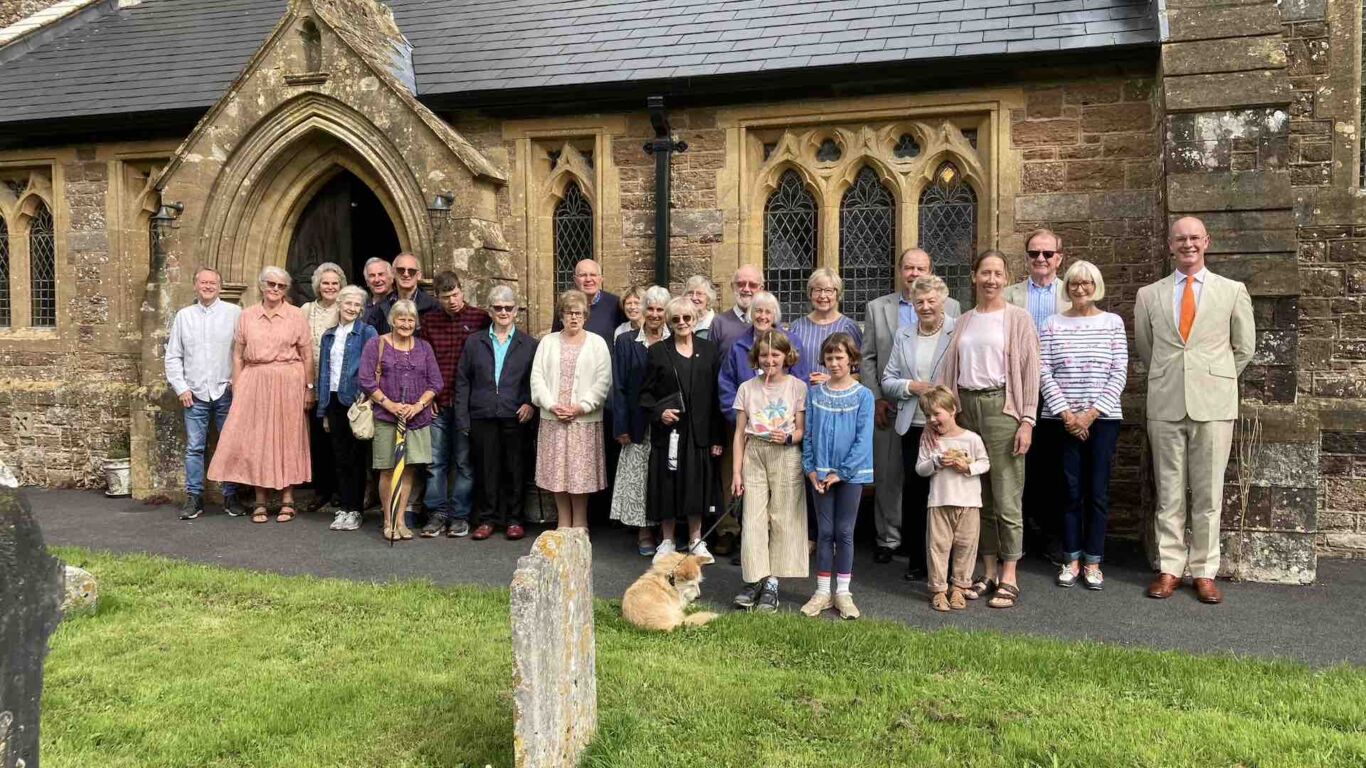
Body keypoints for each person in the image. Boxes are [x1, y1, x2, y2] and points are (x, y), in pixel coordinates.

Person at [1135, 217, 1254, 604]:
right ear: (1170, 245)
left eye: (1194, 238)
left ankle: (1204, 571)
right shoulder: (1149, 295)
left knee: (1208, 495)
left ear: (1207, 242)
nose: (1188, 244)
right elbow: (1147, 349)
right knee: (1169, 494)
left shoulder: (1232, 291)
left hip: (1214, 405)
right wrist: (1177, 376)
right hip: (1166, 403)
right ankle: (1170, 568)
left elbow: (1244, 347)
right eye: (1180, 238)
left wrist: (1212, 378)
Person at [936, 251, 1040, 610]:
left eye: (997, 273)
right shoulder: (964, 321)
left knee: (1007, 495)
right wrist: (947, 418)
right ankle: (989, 569)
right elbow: (949, 371)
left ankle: (1010, 575)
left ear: (1006, 278)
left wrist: (1027, 419)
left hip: (1002, 409)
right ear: (974, 277)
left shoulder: (1018, 319)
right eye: (985, 273)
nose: (991, 280)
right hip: (966, 410)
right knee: (978, 498)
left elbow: (1030, 372)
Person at [862, 248, 963, 568]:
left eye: (921, 268)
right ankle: (889, 539)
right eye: (908, 268)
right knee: (891, 475)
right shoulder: (879, 308)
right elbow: (868, 359)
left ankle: (934, 549)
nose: (914, 273)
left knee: (933, 482)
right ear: (900, 270)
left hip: (941, 414)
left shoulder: (955, 312)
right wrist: (877, 397)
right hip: (895, 408)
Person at [1040, 260, 1128, 591]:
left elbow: (1119, 372)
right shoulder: (1051, 324)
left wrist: (1090, 415)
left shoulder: (1112, 323)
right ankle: (1071, 558)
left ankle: (1093, 561)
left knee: (1098, 492)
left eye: (1087, 283)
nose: (1080, 289)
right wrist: (1067, 415)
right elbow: (1043, 370)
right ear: (1068, 287)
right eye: (1075, 283)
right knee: (1069, 491)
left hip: (1102, 421)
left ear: (1096, 286)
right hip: (1061, 421)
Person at [207, 266, 313, 523]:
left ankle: (288, 499)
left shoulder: (296, 315)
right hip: (255, 381)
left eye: (281, 286)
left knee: (288, 438)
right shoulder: (247, 316)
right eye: (271, 284)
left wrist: (309, 389)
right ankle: (260, 501)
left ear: (286, 290)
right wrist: (238, 384)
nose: (275, 289)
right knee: (257, 440)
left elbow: (308, 355)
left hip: (289, 380)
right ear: (261, 285)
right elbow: (237, 354)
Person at [881, 275, 958, 582]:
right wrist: (912, 386)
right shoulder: (904, 334)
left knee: (946, 496)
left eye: (931, 301)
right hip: (912, 425)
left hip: (946, 425)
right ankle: (917, 561)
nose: (925, 307)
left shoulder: (957, 328)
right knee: (915, 496)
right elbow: (888, 379)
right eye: (919, 302)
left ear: (943, 301)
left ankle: (949, 565)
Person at [639, 296, 724, 563]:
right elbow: (644, 395)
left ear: (695, 319)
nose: (682, 323)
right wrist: (658, 412)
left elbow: (716, 397)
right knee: (667, 484)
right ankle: (666, 540)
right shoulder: (657, 352)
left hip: (700, 432)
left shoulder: (709, 350)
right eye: (675, 319)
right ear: (669, 322)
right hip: (670, 432)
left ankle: (696, 540)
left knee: (696, 486)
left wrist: (717, 437)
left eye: (687, 318)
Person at [1006, 228, 1072, 563]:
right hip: (1018, 388)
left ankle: (1053, 536)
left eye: (1048, 254)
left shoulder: (1073, 293)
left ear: (1060, 257)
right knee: (1020, 462)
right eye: (1034, 254)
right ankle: (1023, 533)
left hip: (1060, 391)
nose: (1041, 259)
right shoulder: (1009, 295)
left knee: (1056, 465)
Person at [730, 330, 808, 613]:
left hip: (785, 454)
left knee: (783, 517)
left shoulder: (797, 387)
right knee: (753, 517)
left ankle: (772, 583)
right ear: (756, 357)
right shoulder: (746, 388)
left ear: (786, 356)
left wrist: (789, 438)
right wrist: (736, 472)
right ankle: (754, 578)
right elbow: (739, 433)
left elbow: (801, 430)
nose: (769, 360)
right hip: (755, 451)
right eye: (764, 355)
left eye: (775, 355)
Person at [801, 332, 874, 619]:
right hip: (820, 473)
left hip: (850, 476)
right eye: (829, 358)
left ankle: (843, 592)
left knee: (844, 532)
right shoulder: (816, 394)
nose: (834, 363)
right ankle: (821, 591)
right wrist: (810, 469)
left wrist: (841, 473)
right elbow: (808, 436)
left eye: (839, 357)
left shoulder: (863, 395)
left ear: (851, 360)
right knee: (824, 532)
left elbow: (863, 439)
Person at [456, 285, 537, 541]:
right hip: (482, 414)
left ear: (516, 311)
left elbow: (534, 380)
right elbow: (463, 381)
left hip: (516, 415)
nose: (503, 312)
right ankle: (487, 519)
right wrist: (462, 417)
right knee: (485, 469)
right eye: (498, 308)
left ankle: (514, 519)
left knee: (515, 469)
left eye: (508, 308)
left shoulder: (529, 344)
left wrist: (530, 403)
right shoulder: (474, 342)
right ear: (490, 311)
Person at [358, 299, 443, 541]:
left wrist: (418, 406)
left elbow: (436, 383)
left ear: (416, 323)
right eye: (401, 319)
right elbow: (366, 380)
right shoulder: (377, 344)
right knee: (387, 470)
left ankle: (402, 520)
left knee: (408, 470)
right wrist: (391, 405)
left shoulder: (424, 347)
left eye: (410, 320)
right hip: (387, 417)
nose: (405, 324)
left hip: (416, 418)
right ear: (392, 320)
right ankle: (389, 520)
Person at [417, 271, 491, 538]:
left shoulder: (479, 318)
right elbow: (424, 362)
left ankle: (460, 515)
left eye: (456, 294)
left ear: (463, 290)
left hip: (466, 405)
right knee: (435, 462)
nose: (453, 301)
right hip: (436, 401)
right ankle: (437, 514)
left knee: (463, 462)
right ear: (437, 297)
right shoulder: (429, 322)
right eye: (446, 297)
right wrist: (428, 397)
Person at [165, 266, 243, 520]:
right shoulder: (184, 316)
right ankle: (194, 498)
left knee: (230, 445)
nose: (208, 286)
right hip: (195, 393)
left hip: (225, 390)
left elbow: (243, 351)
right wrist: (181, 387)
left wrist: (236, 380)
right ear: (195, 286)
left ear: (220, 287)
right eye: (203, 282)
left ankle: (231, 496)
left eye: (212, 283)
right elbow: (173, 356)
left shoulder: (234, 313)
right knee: (195, 448)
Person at [531, 290, 612, 528]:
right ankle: (563, 523)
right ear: (561, 316)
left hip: (583, 420)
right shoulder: (548, 342)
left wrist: (581, 407)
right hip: (553, 418)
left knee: (579, 475)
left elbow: (603, 380)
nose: (573, 318)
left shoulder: (597, 343)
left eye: (578, 313)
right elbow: (537, 378)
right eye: (568, 313)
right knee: (557, 474)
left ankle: (581, 524)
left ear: (585, 316)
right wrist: (551, 405)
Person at [714, 289, 782, 556]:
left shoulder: (789, 343)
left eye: (767, 312)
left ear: (775, 315)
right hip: (741, 427)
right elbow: (725, 385)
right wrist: (739, 418)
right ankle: (730, 531)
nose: (762, 316)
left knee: (769, 482)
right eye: (758, 311)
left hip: (777, 430)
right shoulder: (738, 346)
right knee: (734, 476)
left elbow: (799, 385)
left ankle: (763, 536)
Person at [914, 386, 990, 612]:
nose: (932, 419)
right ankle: (938, 589)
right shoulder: (931, 442)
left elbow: (985, 462)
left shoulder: (971, 439)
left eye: (937, 414)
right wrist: (936, 462)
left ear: (953, 410)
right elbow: (920, 468)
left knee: (966, 545)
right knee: (938, 547)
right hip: (939, 501)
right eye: (928, 416)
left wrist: (968, 467)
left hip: (969, 502)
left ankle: (959, 587)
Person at [610, 285, 671, 556]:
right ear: (642, 311)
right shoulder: (626, 343)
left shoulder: (676, 341)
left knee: (664, 475)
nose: (655, 314)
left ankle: (665, 530)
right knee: (638, 478)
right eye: (651, 309)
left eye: (660, 309)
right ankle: (643, 531)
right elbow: (619, 386)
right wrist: (620, 426)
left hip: (668, 422)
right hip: (636, 423)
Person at [316, 285, 378, 532]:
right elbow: (324, 374)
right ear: (339, 305)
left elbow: (375, 367)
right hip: (333, 401)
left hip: (356, 402)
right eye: (348, 304)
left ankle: (355, 510)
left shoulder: (367, 332)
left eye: (357, 305)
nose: (352, 308)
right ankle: (344, 507)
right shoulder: (328, 335)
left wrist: (367, 398)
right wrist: (323, 411)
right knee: (340, 458)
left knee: (356, 458)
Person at [299, 262, 345, 512]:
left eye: (334, 283)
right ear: (318, 285)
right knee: (316, 439)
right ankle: (321, 490)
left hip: (336, 383)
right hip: (312, 381)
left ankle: (339, 490)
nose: (330, 287)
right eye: (325, 283)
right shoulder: (306, 309)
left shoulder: (346, 307)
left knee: (337, 437)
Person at [788, 268, 863, 386]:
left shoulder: (850, 328)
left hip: (838, 396)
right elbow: (786, 367)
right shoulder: (797, 327)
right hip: (802, 396)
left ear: (837, 294)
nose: (822, 296)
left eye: (828, 290)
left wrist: (833, 379)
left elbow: (861, 372)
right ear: (810, 293)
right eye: (817, 290)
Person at [552, 259, 625, 343]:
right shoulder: (564, 304)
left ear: (601, 279)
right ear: (575, 279)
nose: (588, 279)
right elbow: (555, 339)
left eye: (593, 275)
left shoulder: (616, 304)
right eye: (583, 275)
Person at [365, 253, 439, 334]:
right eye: (401, 270)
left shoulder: (433, 306)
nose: (406, 274)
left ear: (418, 275)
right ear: (393, 273)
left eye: (411, 271)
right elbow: (372, 339)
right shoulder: (380, 307)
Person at [709, 265, 764, 358]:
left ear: (761, 289)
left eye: (752, 285)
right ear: (732, 287)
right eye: (740, 284)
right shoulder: (719, 323)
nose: (746, 289)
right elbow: (710, 363)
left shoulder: (767, 322)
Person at [683, 274, 717, 341]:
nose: (694, 298)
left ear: (708, 298)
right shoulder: (679, 321)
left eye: (699, 294)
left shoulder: (717, 324)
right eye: (690, 293)